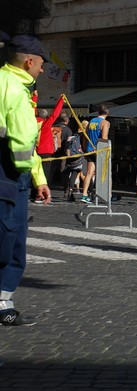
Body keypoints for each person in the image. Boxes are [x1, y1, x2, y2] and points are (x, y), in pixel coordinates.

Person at [0, 34, 51, 327]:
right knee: (11, 241)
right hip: (9, 175)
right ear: (29, 61)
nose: (42, 70)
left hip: (11, 173)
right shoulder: (16, 89)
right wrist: (28, 174)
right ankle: (3, 304)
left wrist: (39, 177)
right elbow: (23, 142)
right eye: (41, 64)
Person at [80, 104, 110, 204]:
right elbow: (104, 138)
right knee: (105, 174)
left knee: (89, 173)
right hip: (99, 151)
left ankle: (84, 194)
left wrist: (85, 148)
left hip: (89, 150)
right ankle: (107, 195)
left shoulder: (91, 121)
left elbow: (85, 136)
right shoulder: (105, 123)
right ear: (107, 113)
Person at [62, 120, 85, 201]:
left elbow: (66, 146)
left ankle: (66, 190)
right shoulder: (83, 136)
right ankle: (71, 191)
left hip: (70, 156)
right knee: (75, 173)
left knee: (67, 172)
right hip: (78, 157)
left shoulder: (72, 136)